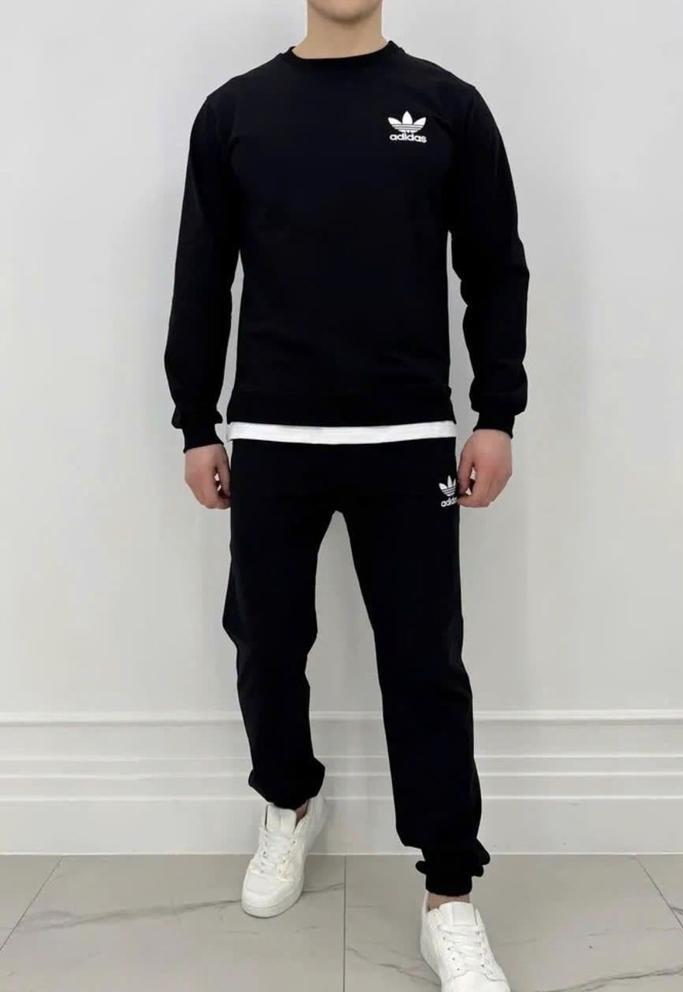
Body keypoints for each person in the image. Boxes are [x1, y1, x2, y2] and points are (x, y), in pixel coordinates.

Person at [165, 0, 528, 987]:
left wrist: (496, 411)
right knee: (266, 641)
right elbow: (203, 274)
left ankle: (448, 894)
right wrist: (195, 420)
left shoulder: (446, 106)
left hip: (407, 438)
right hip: (274, 434)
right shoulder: (236, 111)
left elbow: (493, 267)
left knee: (424, 665)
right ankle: (286, 801)